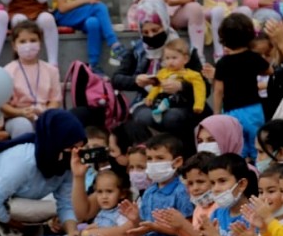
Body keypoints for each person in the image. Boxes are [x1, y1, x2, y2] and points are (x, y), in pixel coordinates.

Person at [114, 13, 210, 144]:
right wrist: (136, 81)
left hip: (185, 102)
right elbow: (116, 79)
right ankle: (152, 157)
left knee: (172, 117)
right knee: (142, 117)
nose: (151, 35)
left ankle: (180, 153)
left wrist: (181, 86)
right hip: (150, 101)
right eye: (145, 32)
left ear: (165, 26)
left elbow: (205, 86)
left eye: (155, 30)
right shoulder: (137, 50)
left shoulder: (185, 49)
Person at [213, 14, 271, 160]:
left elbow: (218, 90)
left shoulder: (222, 63)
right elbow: (269, 70)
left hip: (231, 111)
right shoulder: (253, 57)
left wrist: (216, 113)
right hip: (253, 109)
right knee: (257, 146)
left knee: (237, 148)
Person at [1, 21, 62, 138]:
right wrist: (21, 112)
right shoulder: (7, 71)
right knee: (23, 126)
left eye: (33, 40)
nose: (28, 45)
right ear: (14, 46)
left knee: (59, 123)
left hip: (45, 114)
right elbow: (2, 104)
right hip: (17, 116)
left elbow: (55, 99)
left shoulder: (51, 70)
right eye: (22, 41)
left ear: (40, 43)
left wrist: (45, 114)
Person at [144, 38, 207, 125]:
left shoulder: (192, 74)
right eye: (167, 58)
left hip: (180, 100)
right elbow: (156, 87)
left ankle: (162, 107)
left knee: (176, 98)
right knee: (157, 99)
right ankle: (158, 110)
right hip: (163, 96)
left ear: (185, 59)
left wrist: (198, 105)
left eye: (174, 58)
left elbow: (200, 90)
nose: (170, 61)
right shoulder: (162, 73)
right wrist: (150, 97)